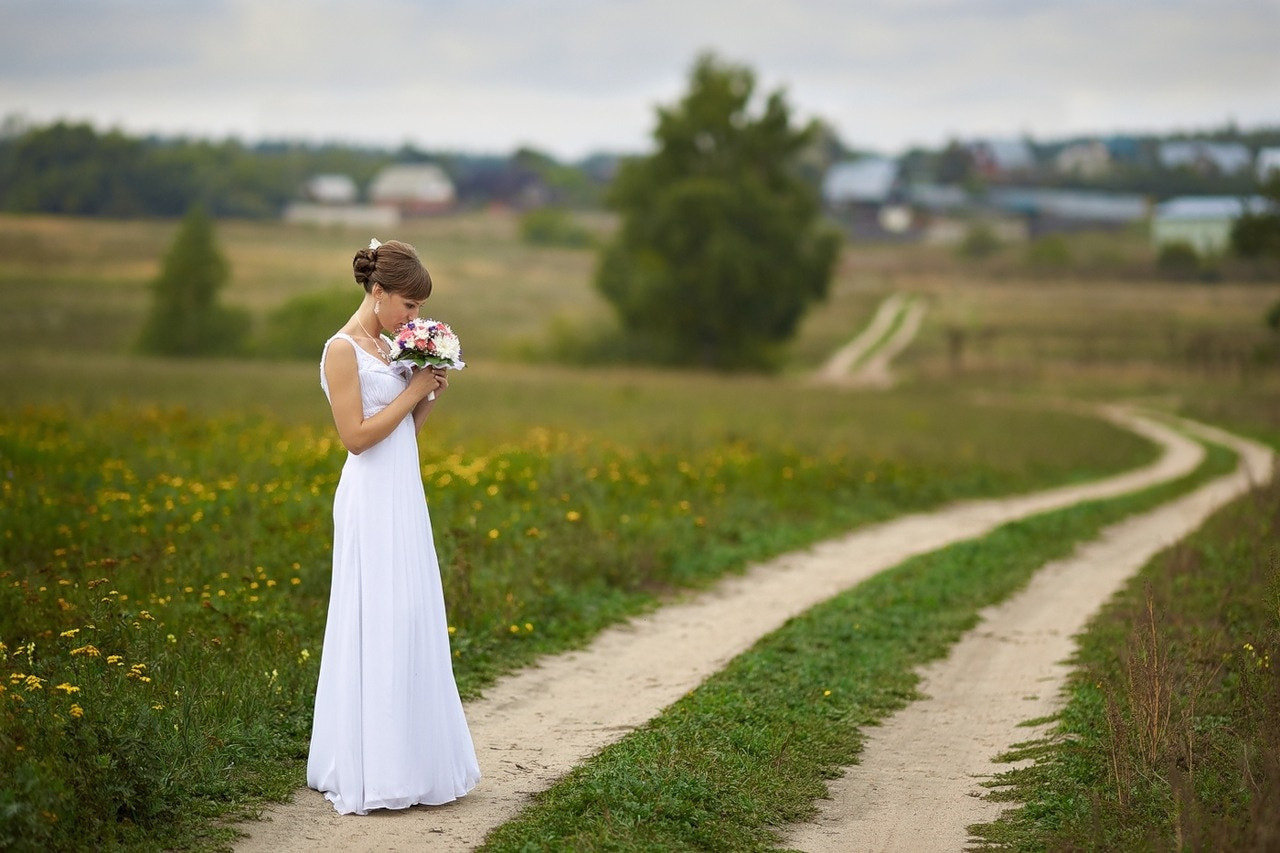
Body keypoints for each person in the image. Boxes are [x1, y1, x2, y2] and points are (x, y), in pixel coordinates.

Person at [307, 238, 481, 815]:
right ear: (377, 292)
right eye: (407, 305)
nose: (415, 317)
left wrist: (426, 395)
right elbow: (356, 438)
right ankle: (370, 766)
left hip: (403, 493)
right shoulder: (342, 349)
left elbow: (401, 430)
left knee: (410, 614)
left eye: (418, 309)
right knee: (376, 616)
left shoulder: (386, 347)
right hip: (369, 498)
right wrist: (411, 389)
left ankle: (413, 759)